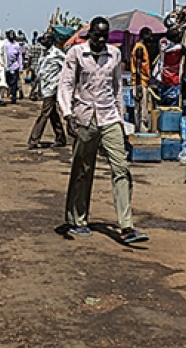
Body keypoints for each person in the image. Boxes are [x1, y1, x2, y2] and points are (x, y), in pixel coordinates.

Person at [58, 17, 148, 245]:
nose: (100, 39)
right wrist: (67, 115)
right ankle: (77, 219)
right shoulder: (76, 54)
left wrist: (121, 119)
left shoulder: (114, 55)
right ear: (89, 35)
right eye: (96, 35)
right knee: (83, 169)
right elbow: (67, 84)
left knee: (121, 167)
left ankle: (126, 226)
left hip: (109, 117)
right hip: (84, 116)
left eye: (104, 35)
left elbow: (117, 87)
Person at [27, 32, 68, 149]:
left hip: (52, 88)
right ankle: (61, 138)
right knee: (52, 113)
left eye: (45, 40)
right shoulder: (43, 54)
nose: (42, 42)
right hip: (44, 87)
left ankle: (34, 138)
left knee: (45, 113)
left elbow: (66, 69)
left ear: (51, 40)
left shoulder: (58, 54)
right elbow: (41, 71)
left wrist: (60, 83)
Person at [5, 30, 24, 103]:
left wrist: (20, 67)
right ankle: (9, 93)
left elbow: (19, 56)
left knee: (14, 82)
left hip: (14, 65)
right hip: (6, 66)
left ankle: (14, 97)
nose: (12, 36)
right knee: (8, 81)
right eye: (10, 35)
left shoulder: (17, 45)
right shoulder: (5, 44)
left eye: (13, 35)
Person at [25, 34, 45, 101]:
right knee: (39, 81)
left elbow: (29, 58)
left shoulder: (33, 47)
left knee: (33, 80)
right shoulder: (44, 48)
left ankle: (32, 93)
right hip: (41, 66)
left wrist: (28, 67)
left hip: (33, 66)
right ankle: (38, 94)